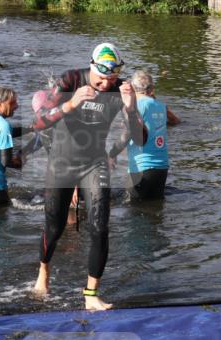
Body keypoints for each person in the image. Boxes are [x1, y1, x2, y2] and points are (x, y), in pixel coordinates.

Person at [32, 43, 147, 311]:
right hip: (61, 162)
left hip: (94, 164)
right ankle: (43, 272)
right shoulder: (71, 79)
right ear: (91, 66)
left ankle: (91, 294)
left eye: (112, 78)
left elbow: (141, 139)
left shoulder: (122, 89)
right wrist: (71, 104)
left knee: (100, 227)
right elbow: (39, 122)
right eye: (101, 77)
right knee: (55, 225)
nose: (106, 84)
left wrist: (130, 109)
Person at [109, 70, 179, 200]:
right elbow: (174, 122)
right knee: (154, 210)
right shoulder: (162, 106)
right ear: (152, 88)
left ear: (132, 88)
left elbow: (128, 133)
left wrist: (112, 154)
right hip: (162, 168)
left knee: (134, 211)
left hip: (141, 167)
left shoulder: (134, 106)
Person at [0, 87, 22, 205]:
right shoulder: (4, 126)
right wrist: (20, 159)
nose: (17, 106)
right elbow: (6, 161)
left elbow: (0, 135)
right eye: (12, 103)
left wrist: (30, 129)